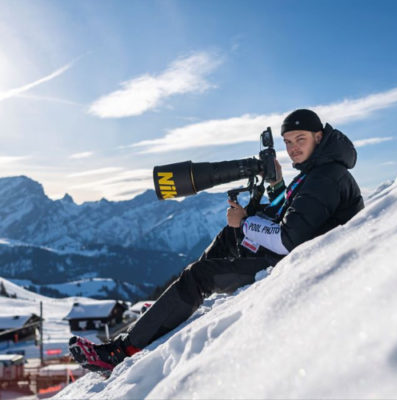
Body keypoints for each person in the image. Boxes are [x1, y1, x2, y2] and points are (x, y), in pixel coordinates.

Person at [69, 109, 364, 373]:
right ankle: (174, 305)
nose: (293, 148)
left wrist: (247, 222)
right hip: (301, 253)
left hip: (300, 264)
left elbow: (288, 240)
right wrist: (269, 193)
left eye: (300, 139)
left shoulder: (326, 177)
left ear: (319, 136)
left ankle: (122, 351)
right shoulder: (319, 171)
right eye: (288, 141)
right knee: (229, 235)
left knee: (199, 275)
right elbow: (295, 215)